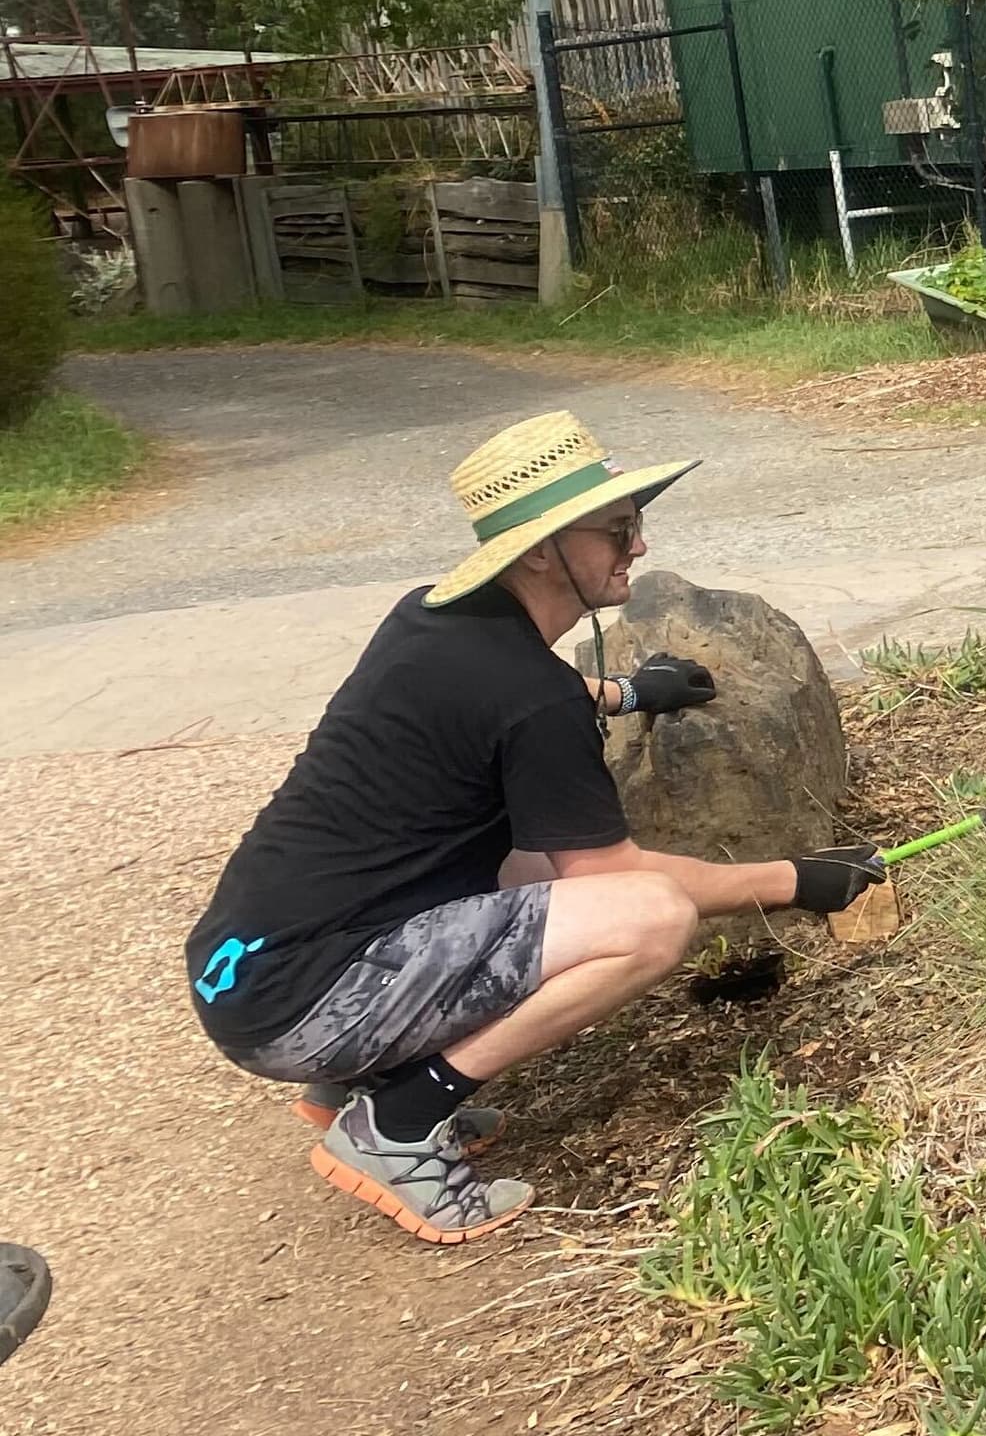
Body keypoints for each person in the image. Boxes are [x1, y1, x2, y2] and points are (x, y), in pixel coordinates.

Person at [186, 412, 889, 1247]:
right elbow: (612, 875)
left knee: (526, 864)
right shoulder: (532, 698)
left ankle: (353, 1079)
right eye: (618, 530)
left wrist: (630, 693)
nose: (639, 545)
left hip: (241, 973)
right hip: (306, 1005)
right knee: (650, 918)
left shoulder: (432, 622)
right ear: (539, 550)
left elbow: (512, 702)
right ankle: (402, 1120)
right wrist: (796, 880)